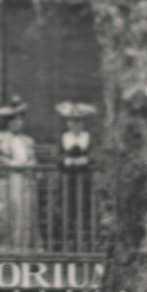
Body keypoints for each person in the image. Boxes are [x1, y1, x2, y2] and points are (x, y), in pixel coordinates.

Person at [0, 96, 39, 251]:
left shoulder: (28, 140)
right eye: (14, 119)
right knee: (7, 212)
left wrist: (29, 165)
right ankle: (5, 246)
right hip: (7, 179)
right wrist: (13, 164)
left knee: (26, 211)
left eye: (20, 119)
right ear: (8, 121)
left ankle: (22, 246)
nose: (18, 122)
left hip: (25, 179)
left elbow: (32, 159)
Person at [54, 101, 96, 251]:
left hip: (84, 180)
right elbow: (57, 157)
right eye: (73, 121)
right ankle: (68, 242)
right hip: (67, 180)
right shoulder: (63, 138)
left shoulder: (88, 137)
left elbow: (95, 155)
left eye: (79, 121)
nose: (76, 125)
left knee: (84, 210)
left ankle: (84, 242)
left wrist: (87, 160)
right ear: (68, 123)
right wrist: (67, 160)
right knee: (67, 210)